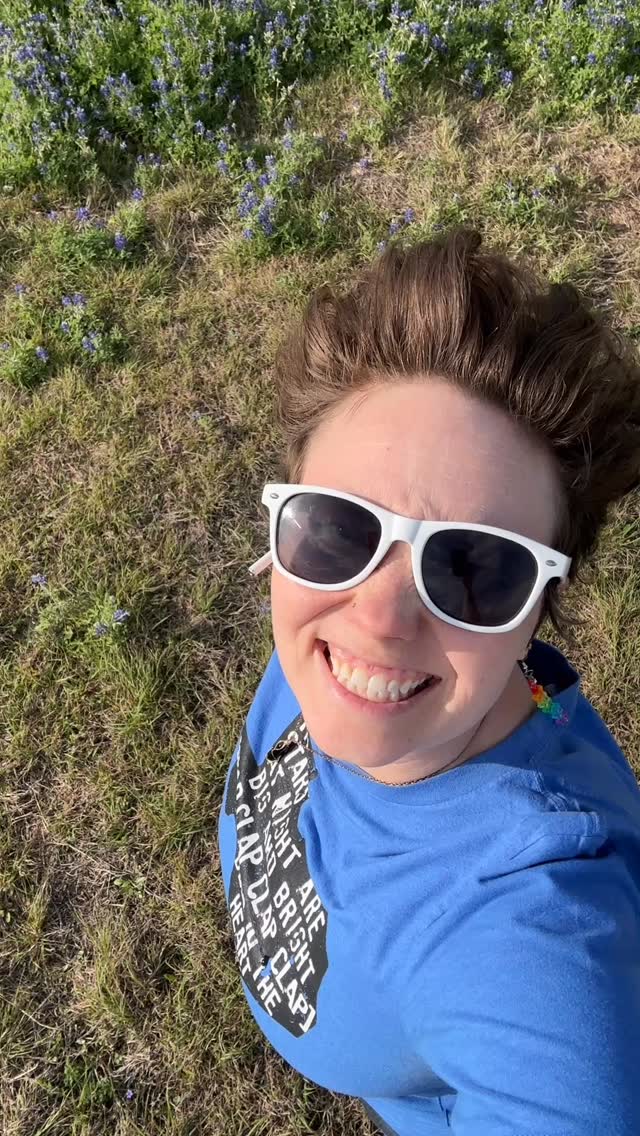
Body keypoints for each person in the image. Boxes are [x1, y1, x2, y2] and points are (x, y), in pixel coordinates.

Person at [217, 228, 640, 1135]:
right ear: (281, 528)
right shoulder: (330, 633)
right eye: (338, 530)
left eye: (475, 572)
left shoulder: (534, 945)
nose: (378, 616)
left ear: (538, 613)